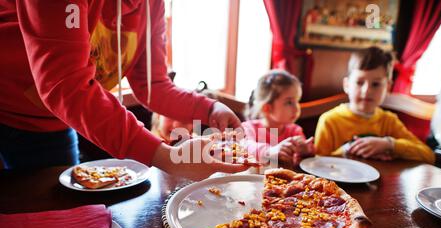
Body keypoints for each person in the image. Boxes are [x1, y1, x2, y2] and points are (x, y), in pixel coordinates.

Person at [0, 0, 246, 180]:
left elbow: (154, 86)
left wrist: (210, 108)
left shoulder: (152, 6)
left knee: (56, 224)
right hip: (9, 105)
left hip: (52, 122)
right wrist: (166, 157)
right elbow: (68, 84)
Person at [314, 46, 435, 164]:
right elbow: (317, 163)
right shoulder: (329, 121)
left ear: (387, 87)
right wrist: (348, 149)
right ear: (347, 85)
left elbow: (428, 155)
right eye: (359, 82)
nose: (366, 91)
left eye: (376, 84)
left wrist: (389, 144)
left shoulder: (389, 121)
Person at [242, 70, 315, 169]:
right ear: (267, 108)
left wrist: (305, 152)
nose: (297, 107)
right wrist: (270, 152)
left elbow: (297, 166)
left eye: (297, 101)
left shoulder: (295, 131)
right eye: (289, 102)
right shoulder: (249, 128)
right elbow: (245, 147)